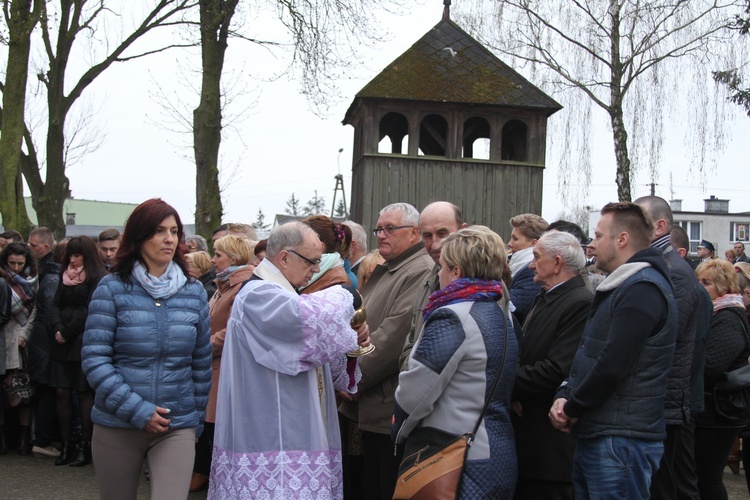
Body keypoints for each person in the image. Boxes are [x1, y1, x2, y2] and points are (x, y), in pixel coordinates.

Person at [208, 222, 367, 499]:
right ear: (284, 257)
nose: (317, 270)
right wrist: (348, 295)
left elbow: (314, 349)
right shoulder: (258, 294)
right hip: (273, 434)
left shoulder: (280, 292)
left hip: (293, 427)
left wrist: (351, 338)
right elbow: (305, 318)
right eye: (313, 261)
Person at [82, 198, 211, 499]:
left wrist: (194, 422)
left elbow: (201, 364)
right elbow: (94, 360)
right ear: (139, 236)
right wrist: (138, 410)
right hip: (118, 422)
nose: (169, 239)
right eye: (159, 231)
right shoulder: (111, 288)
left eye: (174, 231)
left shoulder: (193, 292)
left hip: (176, 423)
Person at [550, 202, 677, 499]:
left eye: (597, 236)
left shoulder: (642, 288)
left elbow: (613, 364)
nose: (591, 246)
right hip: (606, 434)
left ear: (622, 239)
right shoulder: (625, 284)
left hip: (621, 441)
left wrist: (572, 406)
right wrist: (566, 393)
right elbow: (591, 354)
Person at [393, 225, 519, 498]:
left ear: (456, 272)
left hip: (454, 454)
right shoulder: (503, 313)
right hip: (496, 447)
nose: (438, 273)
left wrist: (397, 428)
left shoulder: (452, 317)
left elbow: (417, 391)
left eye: (442, 266)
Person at [338, 202, 433, 500]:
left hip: (384, 401)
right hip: (368, 399)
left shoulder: (419, 270)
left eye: (391, 228)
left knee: (379, 486)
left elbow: (394, 336)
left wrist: (353, 378)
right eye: (379, 228)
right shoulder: (392, 267)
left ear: (415, 233)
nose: (381, 235)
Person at [636, 195, 709, 499]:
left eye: (637, 220)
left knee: (672, 486)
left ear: (659, 226)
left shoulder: (674, 272)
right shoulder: (661, 266)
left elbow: (663, 339)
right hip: (662, 400)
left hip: (668, 403)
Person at [512, 230, 593, 499]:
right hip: (531, 443)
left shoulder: (579, 303)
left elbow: (558, 369)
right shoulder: (548, 297)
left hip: (551, 450)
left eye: (536, 257)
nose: (531, 264)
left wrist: (506, 384)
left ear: (557, 263)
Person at [190, 235, 255, 492]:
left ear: (234, 257)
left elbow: (232, 330)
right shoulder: (224, 285)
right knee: (209, 431)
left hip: (222, 369)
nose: (213, 259)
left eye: (218, 254)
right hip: (212, 368)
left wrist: (202, 347)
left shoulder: (241, 287)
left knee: (218, 433)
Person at [693, 259, 750, 499]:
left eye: (706, 283)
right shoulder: (716, 312)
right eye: (698, 281)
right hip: (713, 409)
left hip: (719, 412)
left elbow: (710, 366)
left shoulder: (728, 317)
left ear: (724, 287)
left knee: (707, 478)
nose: (699, 287)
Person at [49, 236, 106, 467]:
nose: (72, 260)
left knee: (84, 393)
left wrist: (67, 331)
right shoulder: (65, 277)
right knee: (61, 392)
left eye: (77, 255)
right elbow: (55, 304)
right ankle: (66, 444)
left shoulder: (97, 278)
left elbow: (91, 308)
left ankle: (84, 445)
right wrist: (57, 327)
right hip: (61, 340)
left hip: (82, 340)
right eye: (70, 255)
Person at [399, 201, 466, 371]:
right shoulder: (428, 281)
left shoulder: (484, 284)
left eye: (443, 233)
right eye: (427, 236)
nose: (435, 245)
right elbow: (412, 341)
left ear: (462, 230)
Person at [0, 242, 39, 455]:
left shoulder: (33, 279)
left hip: (22, 337)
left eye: (19, 263)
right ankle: (4, 438)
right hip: (2, 335)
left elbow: (34, 310)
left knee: (23, 389)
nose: (15, 268)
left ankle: (24, 439)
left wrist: (25, 334)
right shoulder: (1, 279)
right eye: (11, 263)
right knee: (2, 389)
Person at [507, 213, 548, 324]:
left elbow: (514, 308)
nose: (509, 244)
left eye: (515, 239)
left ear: (533, 243)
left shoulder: (532, 271)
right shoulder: (517, 264)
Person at [301, 215, 355, 291]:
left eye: (303, 241)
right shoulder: (330, 272)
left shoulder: (336, 281)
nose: (298, 245)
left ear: (320, 246)